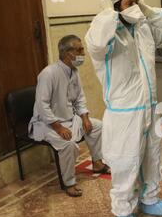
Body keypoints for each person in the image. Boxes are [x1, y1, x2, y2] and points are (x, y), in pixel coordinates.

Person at [85, 0, 162, 217]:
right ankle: (123, 210)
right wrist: (114, 14)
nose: (134, 7)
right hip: (125, 113)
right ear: (113, 7)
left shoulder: (143, 27)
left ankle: (150, 200)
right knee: (126, 162)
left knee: (151, 156)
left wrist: (144, 9)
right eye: (128, 3)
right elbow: (96, 43)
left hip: (150, 106)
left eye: (135, 1)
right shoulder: (106, 36)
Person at [29, 35, 109, 198]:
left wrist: (85, 117)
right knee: (69, 145)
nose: (82, 53)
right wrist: (58, 127)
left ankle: (97, 162)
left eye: (82, 49)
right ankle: (69, 183)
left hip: (70, 119)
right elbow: (42, 105)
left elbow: (79, 97)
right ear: (67, 52)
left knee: (97, 126)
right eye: (79, 50)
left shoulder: (73, 71)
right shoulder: (48, 73)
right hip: (47, 123)